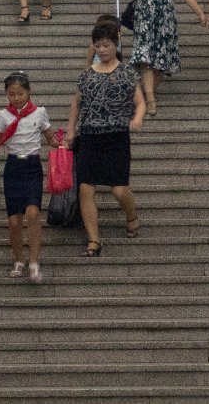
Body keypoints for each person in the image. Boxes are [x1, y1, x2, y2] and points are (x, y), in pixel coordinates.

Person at [66, 21, 147, 256]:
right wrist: (71, 130)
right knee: (85, 187)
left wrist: (138, 118)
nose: (102, 50)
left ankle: (131, 216)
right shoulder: (87, 75)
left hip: (116, 136)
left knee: (119, 189)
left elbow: (139, 101)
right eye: (98, 46)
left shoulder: (127, 72)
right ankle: (94, 240)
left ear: (115, 44)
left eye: (107, 45)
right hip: (90, 135)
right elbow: (76, 103)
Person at [0, 71, 59, 284]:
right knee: (14, 221)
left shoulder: (40, 113)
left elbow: (50, 137)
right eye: (12, 94)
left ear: (28, 92)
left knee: (32, 213)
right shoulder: (3, 116)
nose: (16, 98)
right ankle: (19, 261)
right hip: (13, 166)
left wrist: (62, 144)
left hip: (32, 165)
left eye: (20, 93)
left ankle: (33, 261)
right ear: (6, 95)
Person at [116, 0, 209, 116]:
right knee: (145, 58)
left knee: (161, 63)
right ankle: (150, 100)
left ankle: (145, 93)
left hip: (165, 20)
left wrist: (200, 12)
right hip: (143, 18)